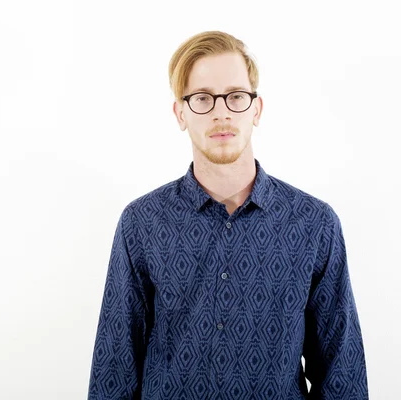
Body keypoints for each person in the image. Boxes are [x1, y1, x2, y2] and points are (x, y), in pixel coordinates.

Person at [87, 30, 368, 399]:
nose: (221, 112)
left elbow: (341, 373)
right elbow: (115, 366)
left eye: (235, 96)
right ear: (181, 112)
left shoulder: (315, 224)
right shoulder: (142, 223)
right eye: (202, 98)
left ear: (256, 109)